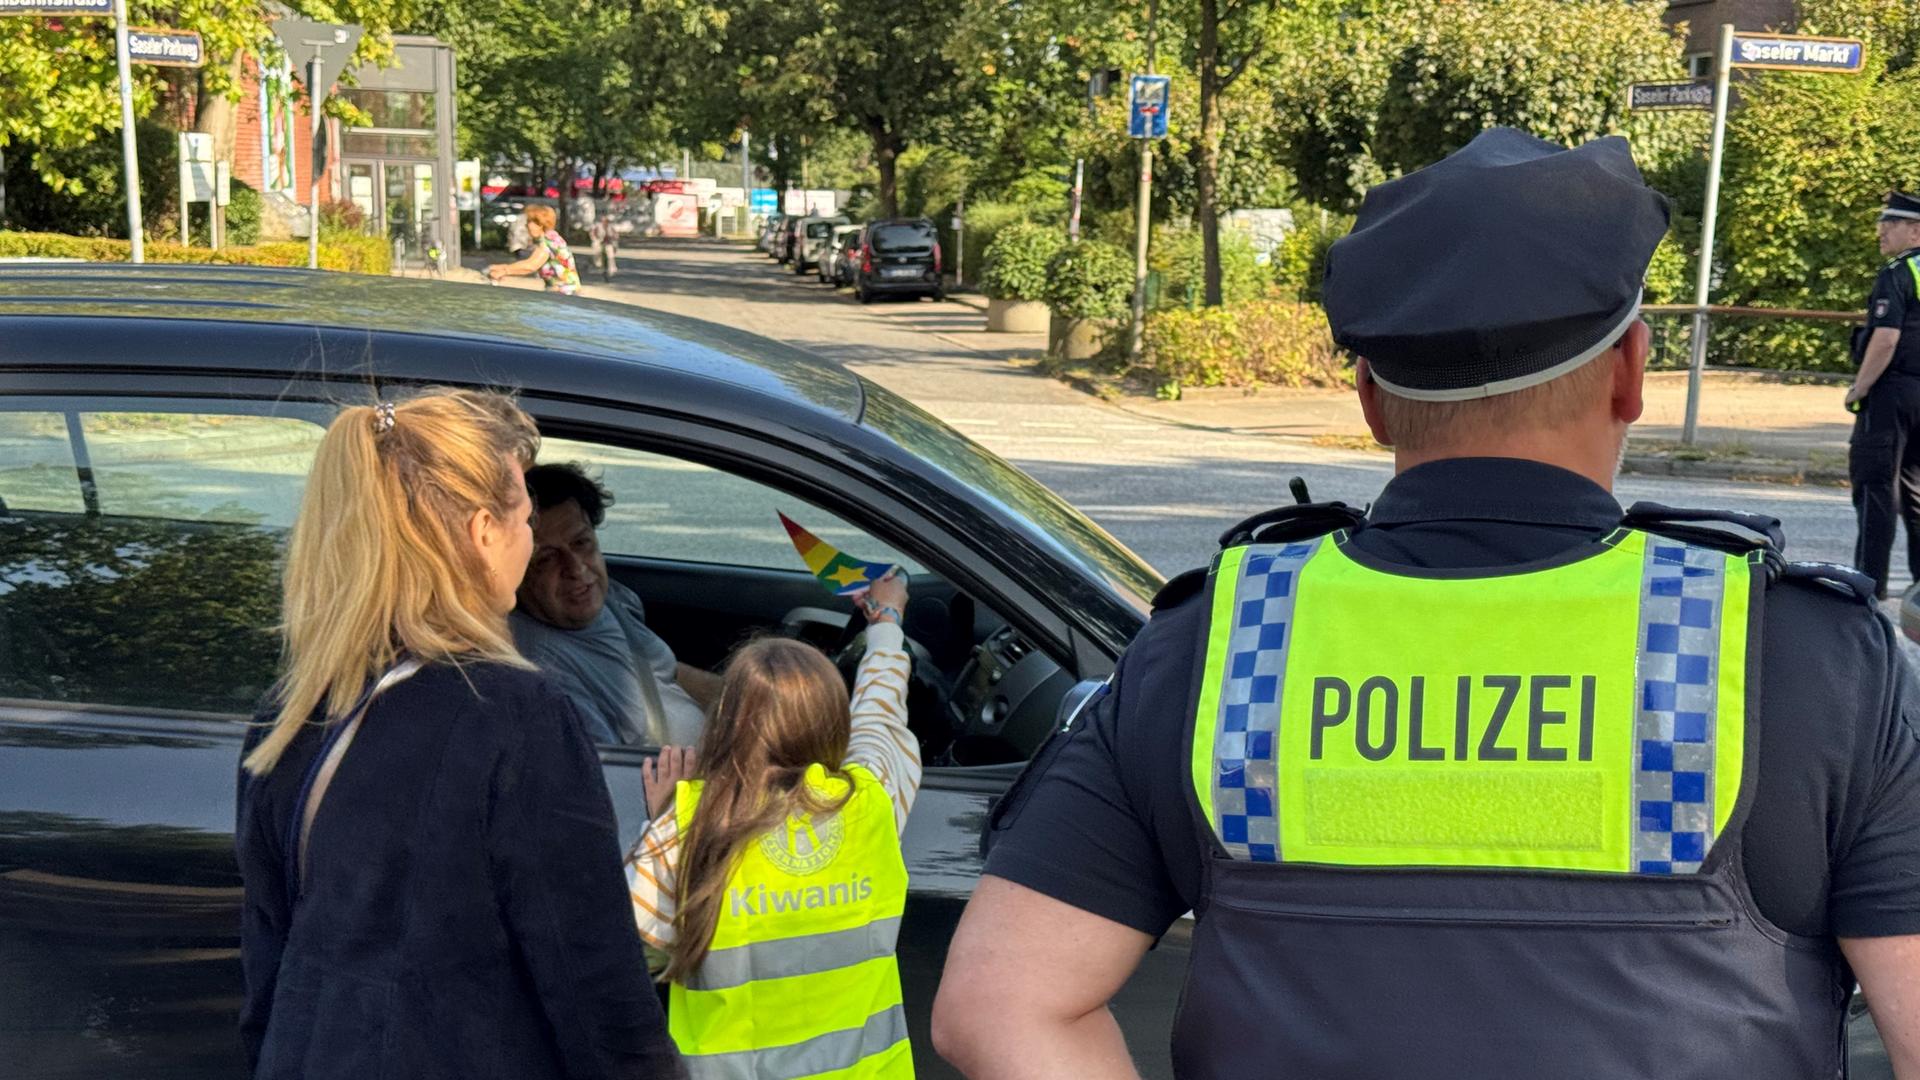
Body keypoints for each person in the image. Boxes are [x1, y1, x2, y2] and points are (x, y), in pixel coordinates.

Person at [933, 129, 1920, 1079]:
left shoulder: (1223, 648)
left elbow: (1000, 1006)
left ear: (1368, 398)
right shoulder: (1808, 660)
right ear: (1631, 372)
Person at [235, 389, 682, 1079]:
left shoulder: (290, 713)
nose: (529, 538)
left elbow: (268, 975)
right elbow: (593, 982)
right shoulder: (516, 714)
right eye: (526, 520)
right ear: (483, 532)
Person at [628, 570, 919, 1079]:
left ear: (722, 726)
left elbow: (631, 954)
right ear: (836, 724)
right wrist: (887, 623)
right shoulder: (872, 800)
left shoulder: (689, 829)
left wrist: (661, 823)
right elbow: (881, 712)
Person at [512, 463, 720, 746]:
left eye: (581, 542)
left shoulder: (609, 602)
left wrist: (755, 701)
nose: (576, 568)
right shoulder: (543, 671)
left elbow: (667, 672)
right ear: (519, 570)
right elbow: (606, 767)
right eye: (547, 558)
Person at [1848, 189, 1920, 600]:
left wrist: (1860, 388)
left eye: (1889, 223)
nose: (1881, 231)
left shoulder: (1898, 273)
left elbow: (1886, 338)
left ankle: (1867, 588)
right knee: (1916, 491)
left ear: (1915, 231)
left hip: (1892, 395)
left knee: (1876, 486)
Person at [489, 204, 581, 295]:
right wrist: (502, 267)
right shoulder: (551, 237)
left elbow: (531, 265)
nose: (527, 225)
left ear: (541, 224)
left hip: (564, 293)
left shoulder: (548, 241)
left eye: (530, 222)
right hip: (561, 292)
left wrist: (504, 271)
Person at [591, 201, 621, 282]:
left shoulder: (611, 227)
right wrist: (596, 238)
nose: (605, 222)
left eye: (606, 221)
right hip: (600, 241)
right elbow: (593, 234)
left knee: (610, 253)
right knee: (596, 247)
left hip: (609, 242)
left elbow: (616, 235)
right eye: (604, 221)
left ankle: (612, 268)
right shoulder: (598, 226)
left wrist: (613, 238)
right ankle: (597, 263)